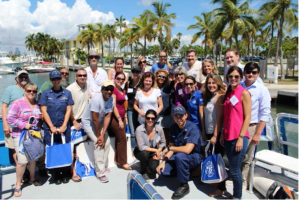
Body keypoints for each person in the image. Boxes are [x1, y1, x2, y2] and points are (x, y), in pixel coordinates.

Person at [156, 105, 203, 199]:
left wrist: (170, 148)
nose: (179, 119)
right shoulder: (173, 128)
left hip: (194, 157)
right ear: (173, 117)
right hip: (179, 156)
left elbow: (187, 150)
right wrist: (163, 162)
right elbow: (171, 147)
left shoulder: (193, 128)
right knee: (164, 171)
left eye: (181, 116)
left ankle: (184, 185)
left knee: (180, 156)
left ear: (186, 115)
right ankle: (187, 173)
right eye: (176, 116)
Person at [7, 83, 42, 197]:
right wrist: (23, 125)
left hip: (34, 135)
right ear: (25, 91)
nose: (31, 93)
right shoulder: (17, 103)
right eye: (29, 90)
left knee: (33, 158)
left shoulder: (37, 104)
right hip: (20, 135)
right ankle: (18, 184)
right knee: (22, 161)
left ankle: (32, 178)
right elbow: (10, 119)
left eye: (34, 91)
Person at [221, 66, 251, 199]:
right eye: (231, 77)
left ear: (241, 78)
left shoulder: (243, 93)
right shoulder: (228, 93)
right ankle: (234, 195)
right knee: (232, 169)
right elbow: (227, 116)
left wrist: (240, 137)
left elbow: (248, 117)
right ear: (227, 78)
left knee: (234, 170)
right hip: (228, 135)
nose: (233, 79)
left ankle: (237, 197)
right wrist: (222, 133)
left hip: (238, 136)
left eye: (236, 77)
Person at [39, 69, 74, 185]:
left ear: (61, 79)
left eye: (58, 79)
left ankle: (65, 173)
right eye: (54, 79)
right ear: (50, 80)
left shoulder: (67, 93)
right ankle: (56, 174)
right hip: (50, 128)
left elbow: (69, 110)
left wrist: (64, 125)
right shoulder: (45, 94)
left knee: (64, 148)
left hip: (64, 127)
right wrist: (51, 126)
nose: (56, 81)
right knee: (53, 149)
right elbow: (43, 111)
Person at [241, 62, 271, 191]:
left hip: (251, 126)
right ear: (244, 73)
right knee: (237, 155)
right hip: (237, 126)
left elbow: (265, 113)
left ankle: (243, 183)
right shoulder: (239, 86)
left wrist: (258, 133)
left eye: (254, 72)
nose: (250, 74)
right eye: (248, 71)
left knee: (247, 157)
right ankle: (236, 179)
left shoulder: (262, 90)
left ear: (258, 74)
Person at [1, 70, 35, 180]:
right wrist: (5, 125)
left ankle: (30, 172)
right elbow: (4, 106)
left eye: (25, 76)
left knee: (29, 148)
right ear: (17, 79)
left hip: (28, 126)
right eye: (21, 77)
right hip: (13, 125)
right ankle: (23, 173)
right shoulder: (10, 89)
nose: (23, 78)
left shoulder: (30, 89)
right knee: (14, 149)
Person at [81, 80, 115, 183]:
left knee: (107, 142)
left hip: (99, 123)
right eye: (106, 89)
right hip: (89, 123)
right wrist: (99, 137)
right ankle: (100, 173)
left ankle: (103, 166)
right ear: (102, 90)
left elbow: (108, 116)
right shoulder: (96, 99)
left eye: (111, 89)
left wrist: (103, 133)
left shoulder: (111, 100)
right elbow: (94, 119)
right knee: (99, 144)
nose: (109, 91)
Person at [202, 74, 227, 197]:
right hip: (209, 131)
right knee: (213, 157)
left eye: (213, 83)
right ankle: (216, 181)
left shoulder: (219, 97)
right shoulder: (211, 97)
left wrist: (215, 135)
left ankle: (222, 188)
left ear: (218, 83)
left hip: (216, 132)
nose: (211, 85)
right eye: (209, 83)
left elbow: (220, 118)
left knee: (218, 159)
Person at [66, 68, 90, 182]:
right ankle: (73, 171)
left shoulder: (87, 86)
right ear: (76, 77)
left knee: (84, 145)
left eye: (84, 75)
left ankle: (85, 167)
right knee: (72, 148)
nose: (82, 77)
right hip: (74, 122)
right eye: (80, 75)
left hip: (85, 121)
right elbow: (68, 108)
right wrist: (74, 121)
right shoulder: (70, 89)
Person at [108, 72, 132, 170]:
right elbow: (113, 106)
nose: (120, 80)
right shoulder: (113, 90)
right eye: (118, 78)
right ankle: (123, 162)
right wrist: (119, 119)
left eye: (122, 79)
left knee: (120, 139)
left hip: (122, 117)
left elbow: (123, 104)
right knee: (122, 138)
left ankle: (118, 160)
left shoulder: (122, 90)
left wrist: (125, 117)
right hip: (115, 118)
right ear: (114, 78)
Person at [134, 109, 166, 181]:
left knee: (153, 171)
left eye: (152, 118)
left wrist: (158, 151)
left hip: (152, 152)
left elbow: (163, 143)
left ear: (155, 119)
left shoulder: (159, 129)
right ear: (145, 118)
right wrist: (156, 150)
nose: (150, 120)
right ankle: (143, 172)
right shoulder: (139, 129)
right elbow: (141, 147)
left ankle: (147, 163)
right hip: (140, 151)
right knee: (145, 155)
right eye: (148, 118)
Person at [154, 69, 174, 144]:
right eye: (160, 76)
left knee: (166, 135)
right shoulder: (152, 87)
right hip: (156, 114)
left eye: (164, 77)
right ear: (156, 76)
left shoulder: (168, 87)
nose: (161, 78)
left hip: (166, 114)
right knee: (156, 136)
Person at [125, 66, 142, 148]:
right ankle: (133, 150)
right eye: (134, 72)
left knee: (140, 131)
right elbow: (125, 96)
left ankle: (140, 148)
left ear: (140, 73)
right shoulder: (128, 83)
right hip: (130, 109)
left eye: (137, 72)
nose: (135, 73)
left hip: (140, 110)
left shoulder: (142, 84)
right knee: (132, 131)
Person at [184, 76, 205, 141]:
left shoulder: (199, 95)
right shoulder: (188, 96)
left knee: (202, 146)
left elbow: (201, 113)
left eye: (191, 84)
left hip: (198, 125)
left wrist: (203, 130)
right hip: (191, 125)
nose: (188, 86)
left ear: (195, 84)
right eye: (186, 84)